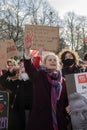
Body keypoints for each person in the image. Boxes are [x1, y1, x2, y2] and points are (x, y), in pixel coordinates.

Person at [23, 33, 69, 130]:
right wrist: (27, 50)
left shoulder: (63, 81)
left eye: (54, 60)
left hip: (59, 121)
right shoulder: (39, 75)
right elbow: (29, 68)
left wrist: (69, 106)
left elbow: (66, 101)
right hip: (40, 121)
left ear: (58, 64)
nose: (52, 61)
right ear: (44, 63)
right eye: (50, 60)